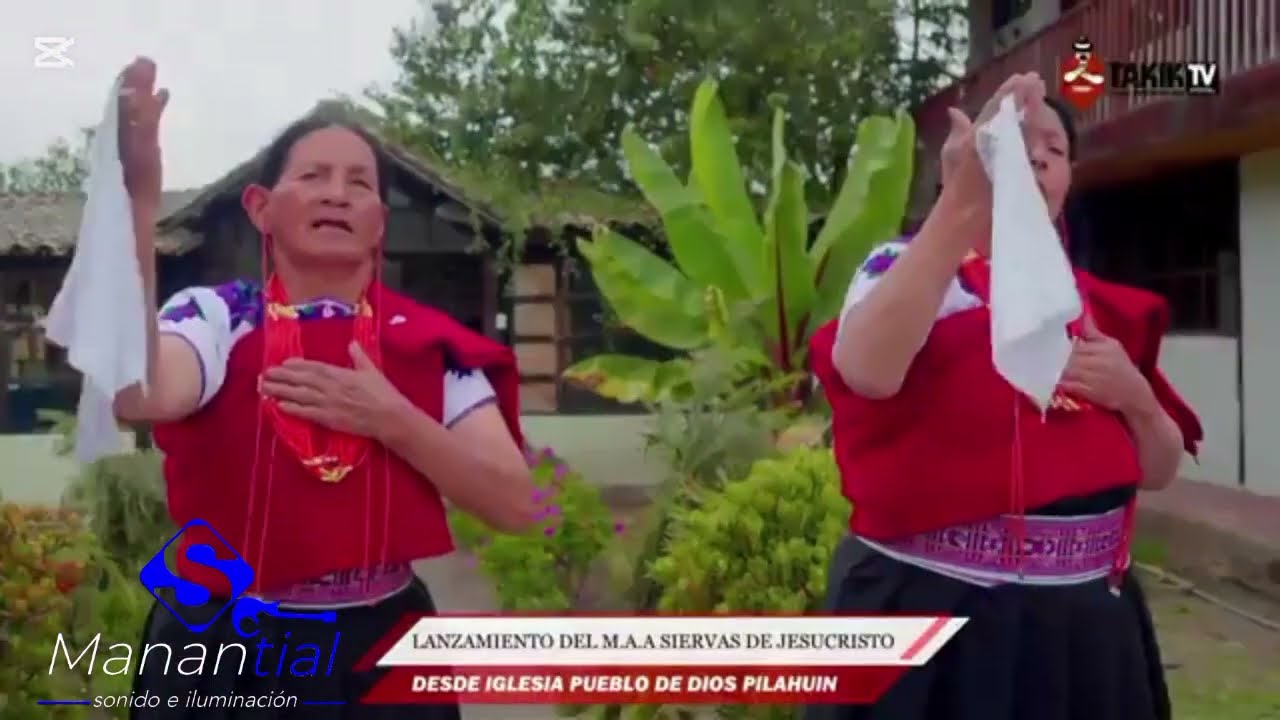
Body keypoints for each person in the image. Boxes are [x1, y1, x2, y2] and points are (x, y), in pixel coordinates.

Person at [111, 57, 537, 718]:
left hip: (382, 637)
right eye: (313, 177)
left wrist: (394, 420)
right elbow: (142, 395)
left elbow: (516, 505)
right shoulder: (216, 318)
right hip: (220, 629)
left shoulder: (429, 344)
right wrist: (138, 207)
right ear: (261, 208)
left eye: (359, 183)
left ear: (378, 222)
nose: (337, 193)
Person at [806, 72, 1203, 720]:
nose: (1039, 156)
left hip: (1087, 634)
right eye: (1020, 142)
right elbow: (866, 371)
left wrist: (1134, 396)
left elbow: (1156, 470)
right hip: (937, 617)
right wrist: (963, 206)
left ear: (1068, 178)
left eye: (1054, 147)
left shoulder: (1096, 311)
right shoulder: (907, 272)